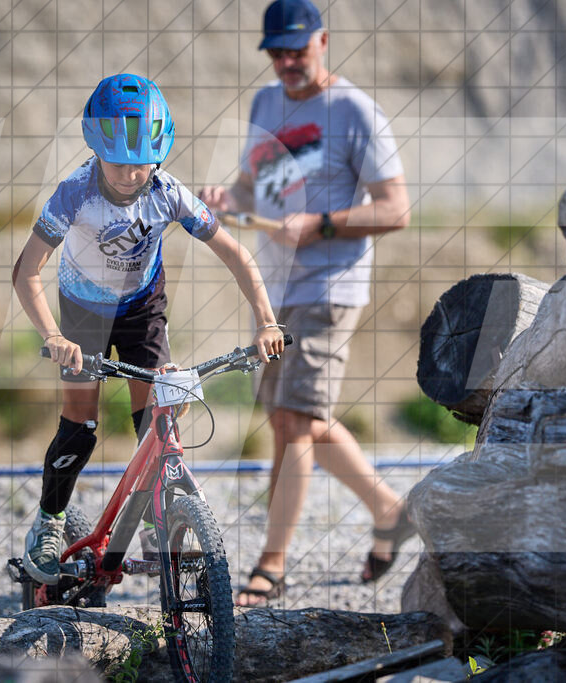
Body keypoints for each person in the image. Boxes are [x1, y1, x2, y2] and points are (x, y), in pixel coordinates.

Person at [12, 73, 285, 585]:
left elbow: (237, 254)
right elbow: (25, 271)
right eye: (119, 163)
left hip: (141, 308)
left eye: (143, 163)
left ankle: (159, 519)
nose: (132, 174)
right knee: (81, 426)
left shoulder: (168, 192)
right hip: (82, 314)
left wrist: (266, 320)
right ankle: (49, 522)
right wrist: (53, 335)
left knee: (158, 421)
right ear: (96, 149)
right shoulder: (74, 192)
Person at [199, 0, 414, 606]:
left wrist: (319, 223)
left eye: (298, 49)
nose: (288, 62)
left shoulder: (354, 111)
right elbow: (255, 186)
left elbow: (395, 209)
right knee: (296, 420)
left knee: (294, 421)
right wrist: (227, 194)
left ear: (323, 41)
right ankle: (388, 508)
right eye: (278, 51)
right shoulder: (266, 103)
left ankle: (272, 565)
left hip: (329, 287)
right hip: (274, 289)